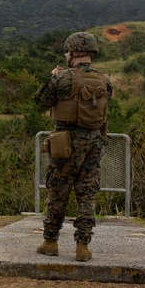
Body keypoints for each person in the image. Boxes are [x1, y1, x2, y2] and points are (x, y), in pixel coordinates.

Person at [34, 31, 113, 262]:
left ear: (75, 52)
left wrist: (52, 77)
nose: (67, 54)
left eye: (68, 51)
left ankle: (50, 242)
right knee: (87, 193)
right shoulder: (104, 80)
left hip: (66, 143)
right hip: (94, 142)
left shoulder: (61, 79)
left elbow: (40, 102)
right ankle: (82, 246)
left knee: (58, 191)